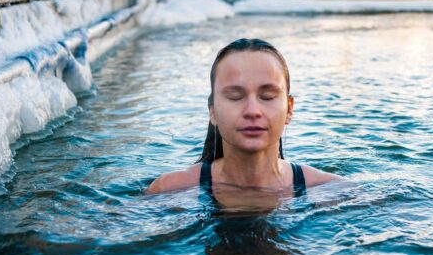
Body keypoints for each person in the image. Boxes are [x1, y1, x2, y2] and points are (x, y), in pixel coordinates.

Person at [145, 38, 339, 204]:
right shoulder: (168, 191)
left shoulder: (330, 191)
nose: (252, 111)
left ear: (289, 109)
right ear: (212, 110)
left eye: (268, 96)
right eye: (235, 97)